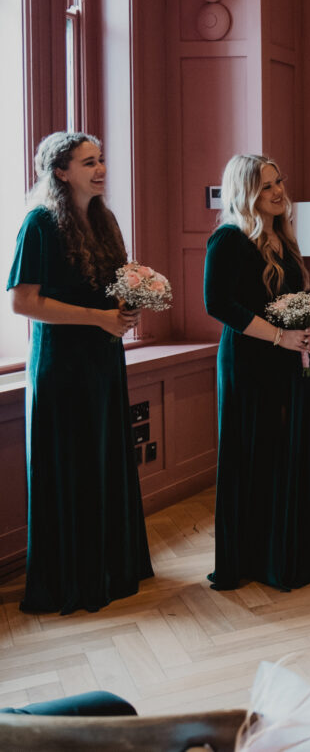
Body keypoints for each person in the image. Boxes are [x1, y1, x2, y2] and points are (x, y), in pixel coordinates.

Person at [7, 132, 152, 614]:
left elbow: (112, 288)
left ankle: (110, 567)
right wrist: (100, 319)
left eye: (102, 160)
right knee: (72, 464)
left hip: (103, 359)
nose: (100, 169)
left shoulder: (105, 219)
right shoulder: (40, 223)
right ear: (60, 171)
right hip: (63, 367)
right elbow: (23, 302)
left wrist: (129, 308)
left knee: (107, 458)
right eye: (88, 162)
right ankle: (74, 577)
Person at [203, 154, 310, 591]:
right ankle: (257, 559)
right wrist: (280, 336)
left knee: (292, 452)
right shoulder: (228, 239)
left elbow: (293, 299)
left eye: (278, 182)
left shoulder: (284, 237)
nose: (278, 192)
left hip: (292, 360)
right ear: (245, 194)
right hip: (251, 363)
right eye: (265, 187)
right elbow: (218, 304)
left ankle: (293, 551)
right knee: (258, 454)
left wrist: (305, 329)